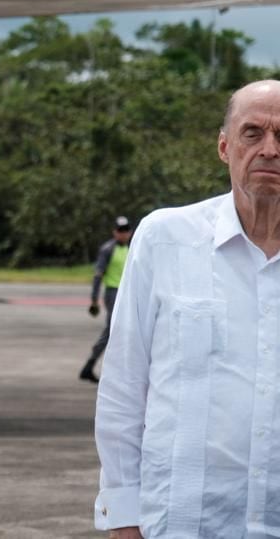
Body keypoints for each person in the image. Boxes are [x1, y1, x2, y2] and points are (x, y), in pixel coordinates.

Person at [95, 80, 280, 538]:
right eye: (252, 133)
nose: (270, 149)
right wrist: (123, 516)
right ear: (224, 146)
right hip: (184, 522)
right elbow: (123, 385)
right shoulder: (165, 238)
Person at [79, 216, 132, 383]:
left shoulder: (133, 247)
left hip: (127, 293)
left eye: (126, 231)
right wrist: (94, 299)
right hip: (113, 293)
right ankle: (90, 365)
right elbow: (98, 275)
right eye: (120, 231)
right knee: (112, 331)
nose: (123, 234)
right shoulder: (108, 249)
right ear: (114, 232)